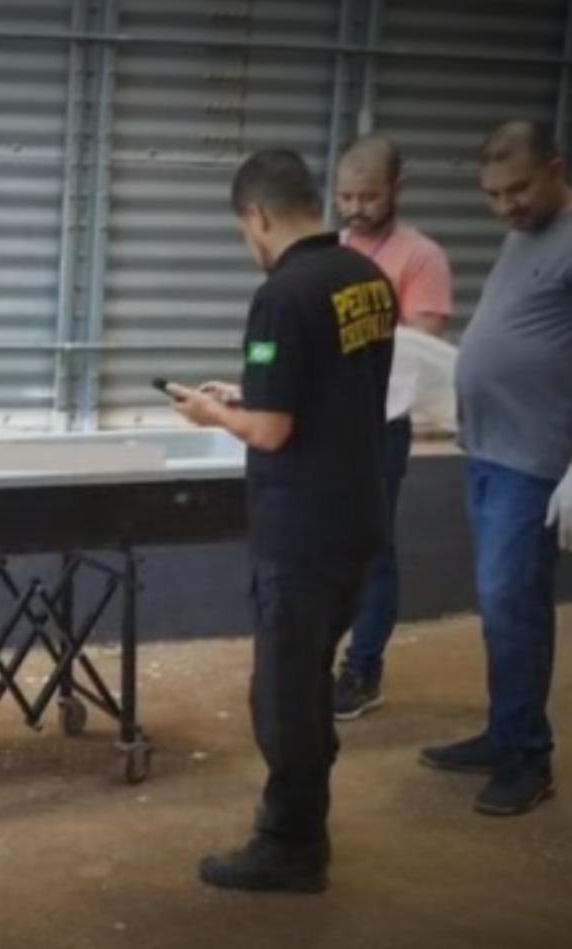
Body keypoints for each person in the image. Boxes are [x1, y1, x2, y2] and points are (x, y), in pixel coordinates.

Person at [168, 149, 395, 892]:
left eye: (245, 230)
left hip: (300, 529)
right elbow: (329, 387)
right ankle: (303, 822)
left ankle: (292, 846)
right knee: (304, 682)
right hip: (359, 515)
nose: (250, 243)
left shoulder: (282, 294)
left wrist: (212, 412)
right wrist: (252, 389)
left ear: (258, 216)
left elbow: (269, 432)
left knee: (283, 696)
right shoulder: (366, 279)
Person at [421, 120, 572, 815]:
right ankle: (503, 730)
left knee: (514, 606)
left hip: (535, 460)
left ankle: (526, 758)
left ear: (555, 168)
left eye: (519, 189)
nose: (507, 205)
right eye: (493, 195)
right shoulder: (524, 236)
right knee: (498, 606)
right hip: (488, 450)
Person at [332, 135, 454, 719]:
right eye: (346, 196)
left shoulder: (420, 256)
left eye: (369, 196)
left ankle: (363, 668)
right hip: (325, 421)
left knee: (372, 548)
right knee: (325, 544)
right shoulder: (327, 250)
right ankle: (317, 658)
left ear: (397, 190)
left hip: (380, 427)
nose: (356, 209)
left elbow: (420, 347)